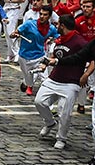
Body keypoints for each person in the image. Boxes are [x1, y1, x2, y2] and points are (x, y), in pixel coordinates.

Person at [34, 15, 87, 150]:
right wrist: (45, 64)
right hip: (55, 78)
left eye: (58, 24)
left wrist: (86, 74)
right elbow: (54, 56)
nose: (56, 26)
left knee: (65, 112)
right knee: (39, 101)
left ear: (62, 25)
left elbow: (92, 58)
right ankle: (50, 122)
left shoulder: (80, 42)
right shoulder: (59, 40)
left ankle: (61, 138)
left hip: (71, 82)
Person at [10, 5, 59, 95]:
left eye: (45, 15)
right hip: (24, 56)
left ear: (49, 16)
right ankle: (26, 82)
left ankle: (48, 103)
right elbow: (16, 32)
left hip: (39, 56)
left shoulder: (51, 28)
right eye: (40, 14)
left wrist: (53, 40)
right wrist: (15, 34)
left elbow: (59, 38)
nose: (42, 16)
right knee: (29, 81)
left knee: (45, 79)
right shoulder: (29, 24)